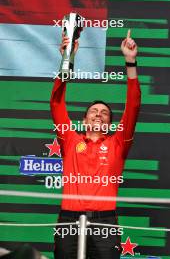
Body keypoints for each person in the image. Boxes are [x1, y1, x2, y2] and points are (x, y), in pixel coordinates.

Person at [50, 29, 141, 259]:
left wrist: (130, 63)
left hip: (105, 223)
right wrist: (67, 59)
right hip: (68, 220)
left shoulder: (118, 143)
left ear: (111, 124)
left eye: (104, 113)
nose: (99, 115)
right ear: (84, 120)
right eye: (93, 111)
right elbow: (56, 103)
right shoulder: (70, 139)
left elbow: (133, 107)